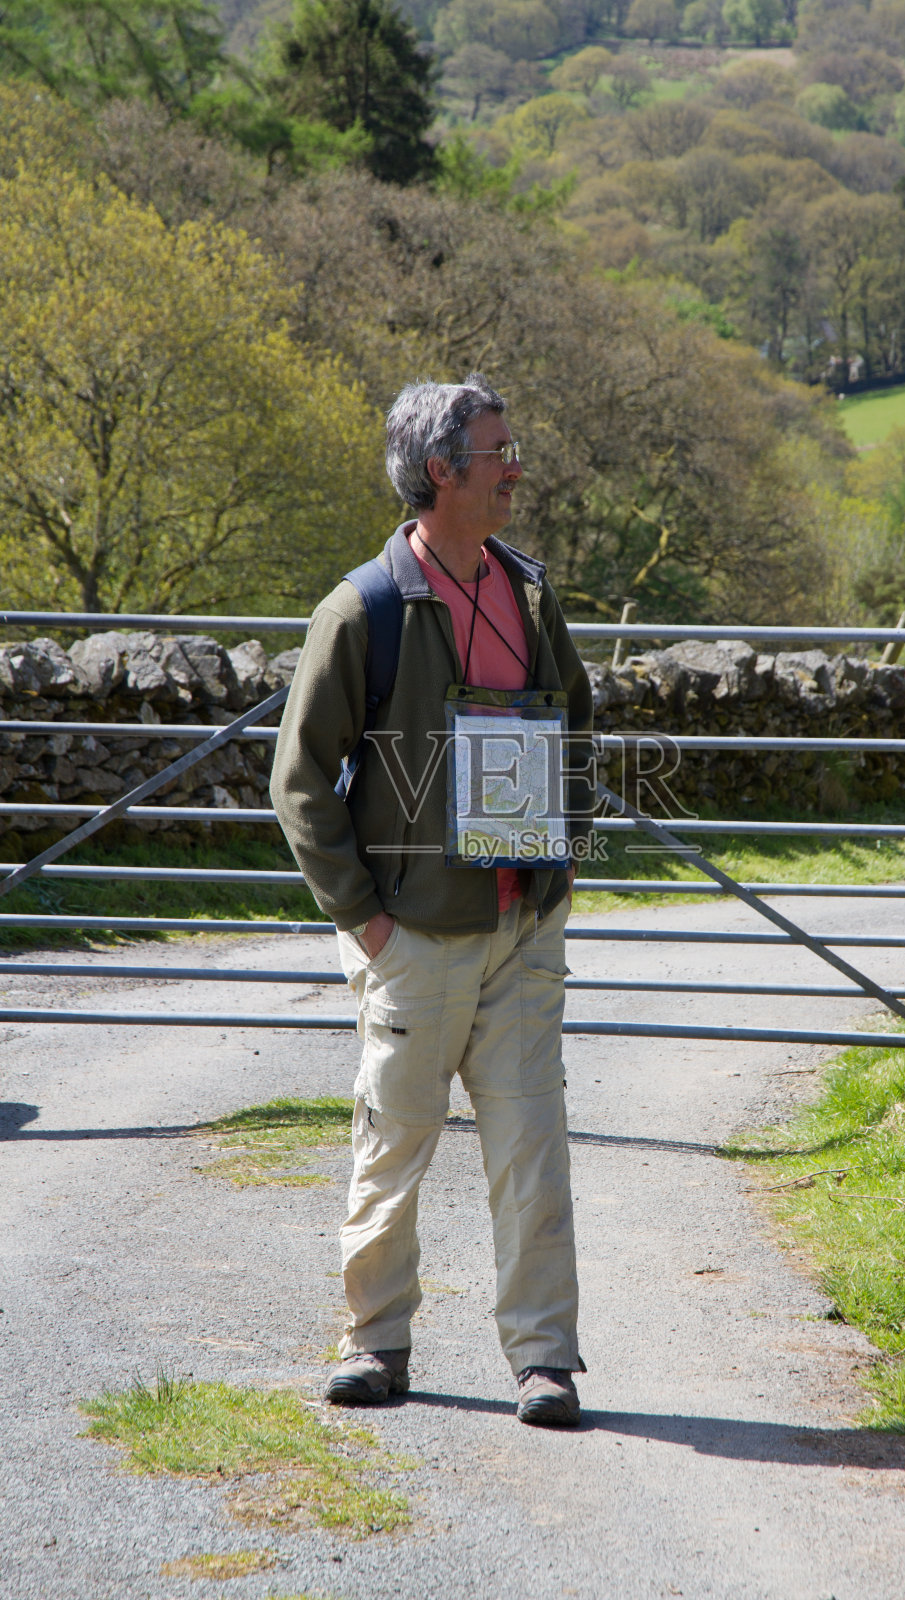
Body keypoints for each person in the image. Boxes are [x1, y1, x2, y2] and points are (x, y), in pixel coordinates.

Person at [270, 373, 595, 1428]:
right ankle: (375, 1343)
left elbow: (576, 730)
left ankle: (544, 1360)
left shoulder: (530, 593)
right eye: (498, 451)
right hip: (411, 937)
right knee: (391, 1144)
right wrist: (364, 919)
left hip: (520, 930)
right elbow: (300, 779)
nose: (515, 468)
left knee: (531, 1147)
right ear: (439, 471)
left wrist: (563, 865)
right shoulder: (357, 609)